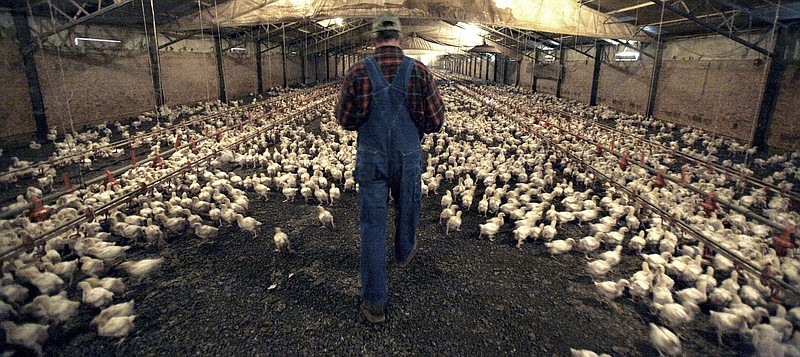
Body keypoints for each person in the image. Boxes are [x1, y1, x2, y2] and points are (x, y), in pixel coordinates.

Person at [335, 12, 445, 323]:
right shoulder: (420, 72)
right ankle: (403, 249)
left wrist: (365, 121)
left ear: (373, 40)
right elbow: (436, 122)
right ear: (401, 39)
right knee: (408, 205)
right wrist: (416, 124)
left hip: (371, 159)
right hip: (407, 155)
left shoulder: (357, 72)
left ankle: (374, 303)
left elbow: (345, 120)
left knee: (372, 227)